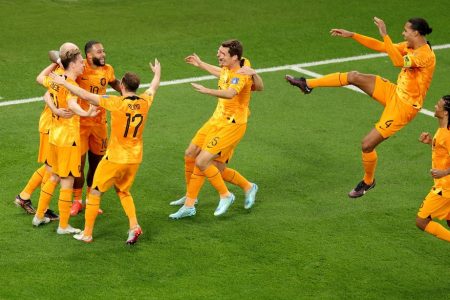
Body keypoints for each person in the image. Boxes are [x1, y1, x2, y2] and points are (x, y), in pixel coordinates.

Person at [285, 17, 435, 198]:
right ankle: (307, 83)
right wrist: (353, 35)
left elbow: (397, 61)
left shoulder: (425, 56)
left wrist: (385, 35)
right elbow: (382, 47)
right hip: (395, 92)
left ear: (416, 33)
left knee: (367, 145)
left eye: (406, 30)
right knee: (354, 76)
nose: (403, 33)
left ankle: (368, 181)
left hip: (404, 107)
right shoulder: (411, 46)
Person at [51, 59, 161, 244]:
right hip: (135, 158)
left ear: (123, 86)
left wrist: (63, 83)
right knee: (124, 191)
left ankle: (87, 233)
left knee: (94, 192)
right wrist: (157, 72)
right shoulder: (144, 101)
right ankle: (134, 226)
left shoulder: (116, 103)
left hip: (115, 158)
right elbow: (154, 87)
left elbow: (85, 95)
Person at [169, 40, 262, 219]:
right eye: (218, 51)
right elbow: (223, 74)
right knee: (191, 154)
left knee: (204, 162)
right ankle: (193, 199)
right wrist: (201, 64)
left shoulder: (243, 73)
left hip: (232, 125)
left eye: (222, 53)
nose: (218, 55)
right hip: (217, 119)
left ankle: (225, 196)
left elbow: (230, 93)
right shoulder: (236, 64)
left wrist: (207, 91)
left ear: (234, 57)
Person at [32, 47, 99, 235]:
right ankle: (63, 226)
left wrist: (54, 109)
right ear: (72, 64)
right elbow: (71, 104)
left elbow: (46, 94)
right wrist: (86, 113)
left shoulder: (56, 77)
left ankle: (38, 216)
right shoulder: (68, 82)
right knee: (67, 181)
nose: (83, 64)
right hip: (68, 139)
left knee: (53, 175)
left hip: (54, 135)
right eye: (80, 62)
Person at [14, 43, 78, 220]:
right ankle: (35, 204)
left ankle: (28, 198)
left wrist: (58, 62)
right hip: (51, 126)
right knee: (52, 169)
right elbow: (50, 57)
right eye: (75, 53)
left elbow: (41, 77)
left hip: (52, 125)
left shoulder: (60, 73)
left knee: (51, 167)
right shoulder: (61, 76)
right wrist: (58, 62)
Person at [70, 40, 121, 216]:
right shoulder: (80, 68)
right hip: (80, 124)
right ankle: (76, 201)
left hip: (99, 125)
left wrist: (125, 90)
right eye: (99, 52)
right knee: (79, 165)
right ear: (89, 55)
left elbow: (113, 82)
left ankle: (91, 200)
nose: (103, 55)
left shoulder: (108, 69)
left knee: (96, 164)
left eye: (103, 51)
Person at [416, 96, 450, 242]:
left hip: (445, 188)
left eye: (438, 105)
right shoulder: (443, 130)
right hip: (444, 185)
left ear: (446, 112)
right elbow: (444, 152)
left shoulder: (448, 134)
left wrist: (444, 172)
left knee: (421, 221)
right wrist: (430, 142)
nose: (435, 106)